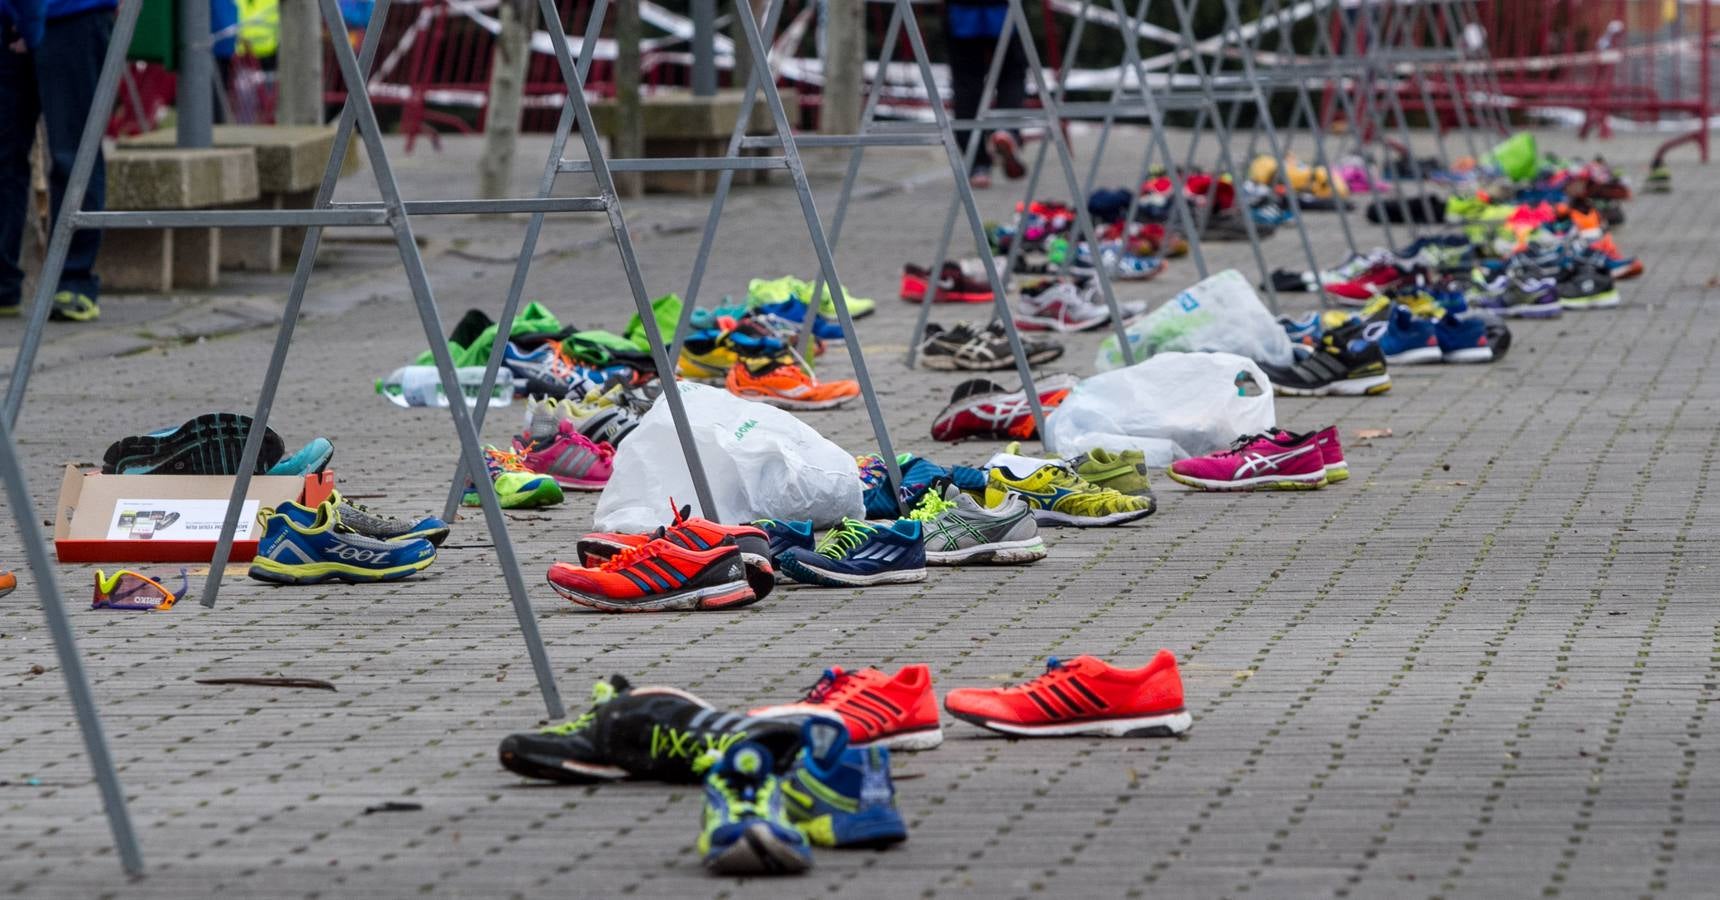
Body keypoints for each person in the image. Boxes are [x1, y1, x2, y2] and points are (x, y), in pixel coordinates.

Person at [0, 0, 114, 322]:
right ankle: (4, 284)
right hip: (13, 16)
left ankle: (73, 282)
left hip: (70, 13)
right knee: (6, 158)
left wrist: (31, 24)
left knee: (72, 154)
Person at [945, 0, 1027, 189]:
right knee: (1012, 73)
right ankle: (1006, 130)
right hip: (1004, 10)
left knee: (967, 83)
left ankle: (978, 164)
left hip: (962, 14)